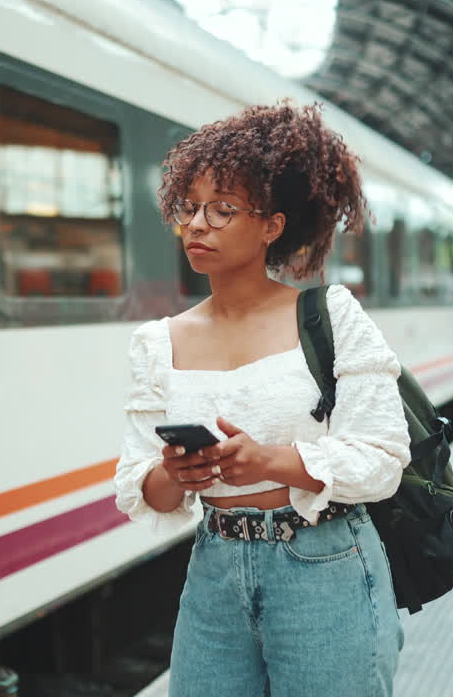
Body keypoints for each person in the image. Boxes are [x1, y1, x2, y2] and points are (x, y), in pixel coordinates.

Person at [114, 102, 412, 697]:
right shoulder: (157, 342)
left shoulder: (330, 316)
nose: (197, 225)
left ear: (272, 225)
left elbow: (383, 457)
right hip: (214, 569)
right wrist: (177, 473)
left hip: (323, 563)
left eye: (222, 209)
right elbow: (138, 484)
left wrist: (271, 461)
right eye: (189, 207)